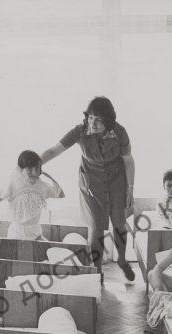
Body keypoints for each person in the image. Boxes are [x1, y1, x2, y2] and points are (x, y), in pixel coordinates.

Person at [40, 96, 135, 282]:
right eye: (91, 117)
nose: (93, 123)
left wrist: (130, 189)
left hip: (117, 181)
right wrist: (34, 163)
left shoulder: (120, 132)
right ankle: (96, 270)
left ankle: (123, 260)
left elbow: (129, 161)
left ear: (108, 121)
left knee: (119, 223)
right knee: (96, 228)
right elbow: (54, 150)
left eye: (99, 119)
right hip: (91, 184)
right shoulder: (80, 131)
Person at [0, 150, 64, 241]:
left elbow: (61, 194)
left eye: (38, 168)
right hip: (16, 233)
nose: (34, 172)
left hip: (35, 233)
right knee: (13, 249)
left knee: (49, 247)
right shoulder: (13, 182)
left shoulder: (42, 186)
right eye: (29, 169)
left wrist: (48, 176)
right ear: (21, 169)